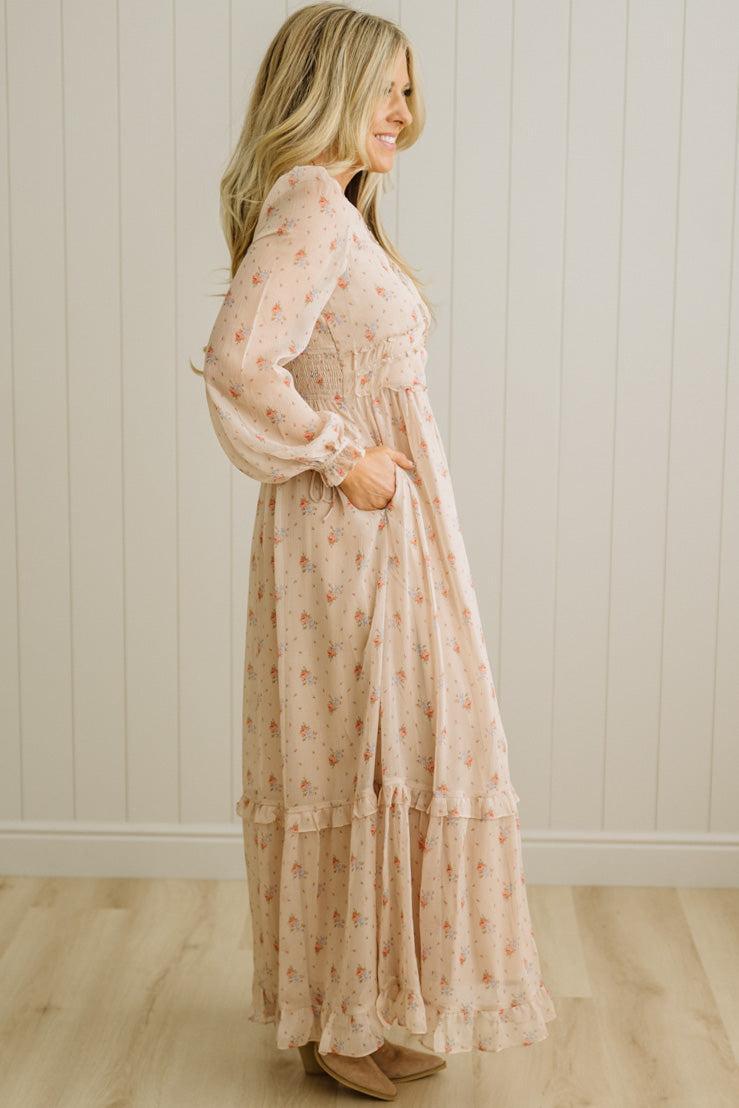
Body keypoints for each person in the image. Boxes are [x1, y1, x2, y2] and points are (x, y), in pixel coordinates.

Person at [194, 3, 556, 1100]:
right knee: (356, 753)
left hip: (390, 537)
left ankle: (368, 998)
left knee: (406, 748)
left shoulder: (335, 209)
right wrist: (339, 453)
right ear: (330, 87)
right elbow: (238, 358)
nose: (406, 109)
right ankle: (333, 1018)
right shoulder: (309, 201)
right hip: (345, 542)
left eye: (409, 87)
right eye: (387, 87)